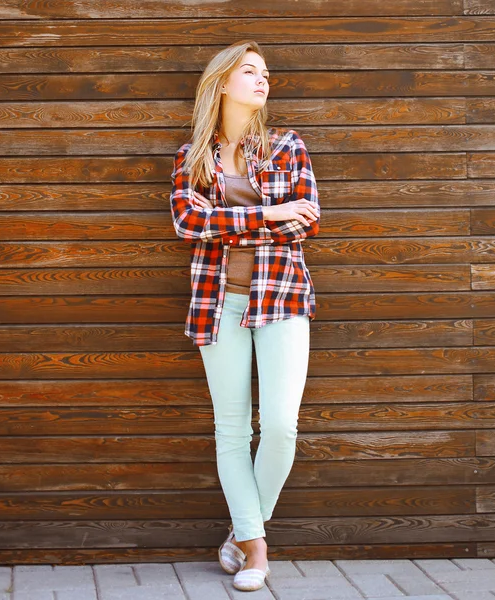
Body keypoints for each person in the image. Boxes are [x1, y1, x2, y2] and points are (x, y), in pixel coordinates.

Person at [169, 40, 320, 592]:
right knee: (232, 430)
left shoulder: (287, 146)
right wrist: (269, 213)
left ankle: (238, 532)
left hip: (281, 298)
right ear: (222, 83)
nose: (263, 80)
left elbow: (305, 221)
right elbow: (188, 223)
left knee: (280, 426)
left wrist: (235, 217)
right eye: (250, 71)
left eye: (266, 73)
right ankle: (256, 550)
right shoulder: (192, 157)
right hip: (217, 304)